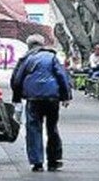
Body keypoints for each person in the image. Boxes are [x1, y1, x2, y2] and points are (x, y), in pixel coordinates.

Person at [11, 34, 73, 172]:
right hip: (52, 98)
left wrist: (17, 98)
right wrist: (66, 96)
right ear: (42, 44)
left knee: (33, 128)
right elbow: (62, 76)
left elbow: (17, 79)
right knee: (52, 127)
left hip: (33, 98)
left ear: (29, 45)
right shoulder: (52, 57)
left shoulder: (26, 59)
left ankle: (37, 162)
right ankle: (54, 160)